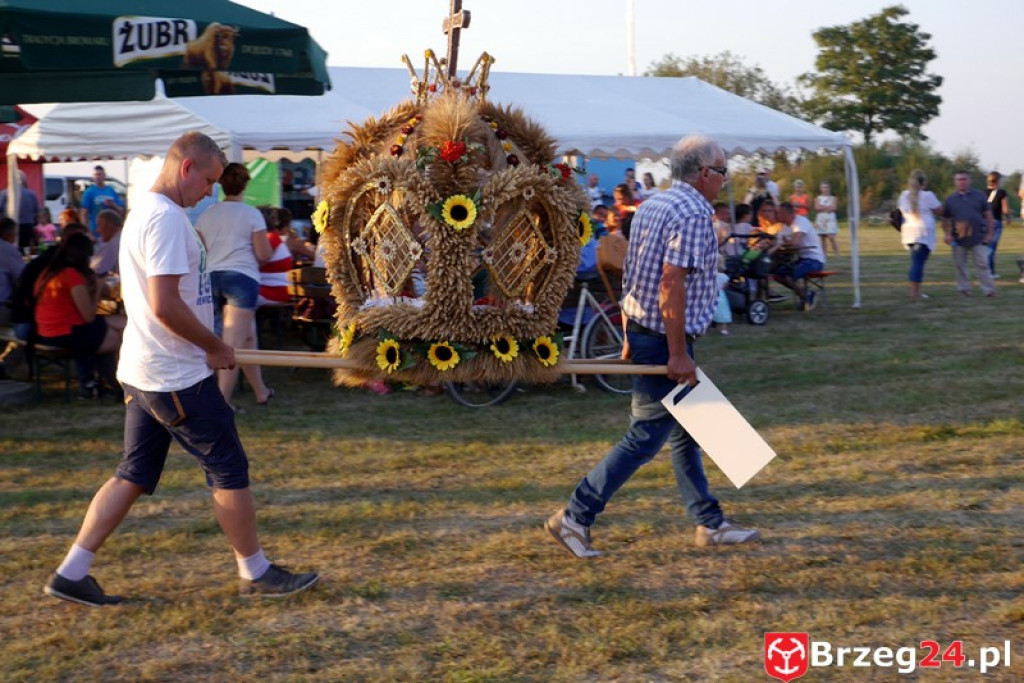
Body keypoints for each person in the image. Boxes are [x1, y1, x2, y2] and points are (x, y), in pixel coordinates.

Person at [43, 131, 318, 607]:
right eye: (209, 180)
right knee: (229, 468)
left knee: (132, 473)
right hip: (174, 374)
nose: (211, 191)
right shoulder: (166, 220)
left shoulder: (146, 213)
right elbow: (165, 305)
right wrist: (214, 346)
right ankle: (256, 571)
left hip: (145, 368)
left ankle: (71, 572)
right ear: (187, 168)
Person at [545, 133, 760, 558]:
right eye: (721, 171)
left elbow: (632, 273)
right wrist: (677, 353)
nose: (724, 179)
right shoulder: (695, 212)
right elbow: (669, 281)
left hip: (649, 332)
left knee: (691, 431)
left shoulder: (654, 205)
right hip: (665, 339)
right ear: (703, 174)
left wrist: (629, 331)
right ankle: (575, 515)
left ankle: (710, 522)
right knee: (645, 436)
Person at [194, 162, 275, 410]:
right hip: (242, 279)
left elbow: (200, 252)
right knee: (232, 345)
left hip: (211, 277)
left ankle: (261, 391)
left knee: (247, 337)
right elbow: (263, 254)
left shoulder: (206, 214)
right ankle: (221, 404)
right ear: (245, 184)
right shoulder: (252, 214)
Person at [32, 232, 124, 397]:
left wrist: (91, 286)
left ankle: (97, 381)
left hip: (48, 330)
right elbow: (88, 315)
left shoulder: (50, 272)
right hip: (66, 332)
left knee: (123, 325)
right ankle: (111, 382)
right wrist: (97, 289)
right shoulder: (71, 276)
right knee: (119, 337)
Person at [942, 171, 995, 297]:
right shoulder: (950, 199)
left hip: (978, 236)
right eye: (959, 179)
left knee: (983, 264)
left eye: (964, 179)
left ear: (969, 181)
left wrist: (989, 233)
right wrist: (947, 234)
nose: (962, 182)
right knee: (960, 265)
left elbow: (988, 216)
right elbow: (945, 219)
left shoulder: (980, 196)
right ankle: (964, 289)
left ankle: (989, 290)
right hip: (958, 238)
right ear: (955, 182)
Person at [773, 202, 826, 311]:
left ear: (786, 214)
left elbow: (794, 243)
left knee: (789, 276)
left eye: (779, 213)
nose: (776, 215)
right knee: (778, 274)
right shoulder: (784, 227)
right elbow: (778, 243)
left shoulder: (801, 222)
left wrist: (782, 243)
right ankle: (806, 294)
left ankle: (807, 296)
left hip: (814, 260)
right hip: (801, 259)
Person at [898, 170, 942, 299]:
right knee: (918, 263)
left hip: (909, 233)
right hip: (923, 233)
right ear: (924, 182)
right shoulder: (928, 195)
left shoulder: (903, 195)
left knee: (915, 261)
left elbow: (900, 210)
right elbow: (939, 210)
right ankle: (915, 292)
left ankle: (915, 290)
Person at [79, 165, 125, 238]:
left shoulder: (111, 190)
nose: (98, 177)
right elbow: (83, 214)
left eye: (100, 174)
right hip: (96, 233)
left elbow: (121, 212)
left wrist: (113, 205)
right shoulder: (89, 192)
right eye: (95, 175)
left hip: (112, 232)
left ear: (104, 176)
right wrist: (87, 233)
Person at [0, 170, 41, 251]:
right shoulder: (32, 194)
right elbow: (37, 212)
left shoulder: (4, 193)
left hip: (10, 227)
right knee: (26, 250)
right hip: (28, 226)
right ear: (24, 181)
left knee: (11, 249)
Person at [984, 171, 1009, 278]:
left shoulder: (982, 192)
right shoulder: (1001, 192)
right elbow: (1005, 207)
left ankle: (991, 271)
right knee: (991, 248)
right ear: (998, 181)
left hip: (984, 222)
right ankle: (988, 271)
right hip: (996, 222)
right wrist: (1008, 217)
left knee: (987, 247)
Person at [89, 210, 123, 276]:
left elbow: (97, 269)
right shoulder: (112, 240)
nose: (98, 230)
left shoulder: (115, 243)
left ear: (111, 225)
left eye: (99, 225)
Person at [813, 181, 840, 257]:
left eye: (827, 187)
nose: (825, 189)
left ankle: (837, 253)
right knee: (823, 238)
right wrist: (827, 208)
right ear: (821, 188)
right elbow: (817, 207)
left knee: (831, 237)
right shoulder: (817, 198)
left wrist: (823, 207)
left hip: (830, 219)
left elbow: (834, 207)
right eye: (823, 187)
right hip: (821, 218)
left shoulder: (833, 198)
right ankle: (824, 254)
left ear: (829, 188)